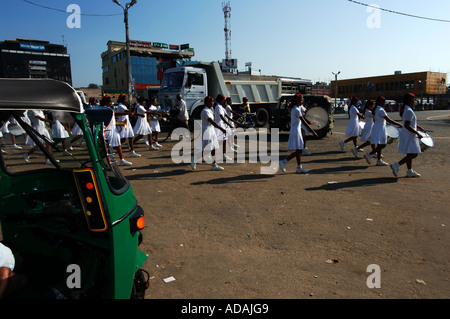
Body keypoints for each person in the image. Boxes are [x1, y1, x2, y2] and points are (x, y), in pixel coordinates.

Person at [279, 94, 318, 174]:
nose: (302, 102)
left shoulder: (295, 109)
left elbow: (303, 121)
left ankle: (299, 167)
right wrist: (313, 131)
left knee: (299, 149)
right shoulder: (297, 110)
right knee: (299, 150)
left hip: (296, 130)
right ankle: (284, 161)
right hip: (296, 131)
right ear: (297, 101)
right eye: (301, 100)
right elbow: (304, 122)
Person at [390, 93, 426, 178]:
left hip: (408, 133)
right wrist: (417, 133)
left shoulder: (407, 109)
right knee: (414, 153)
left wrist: (419, 127)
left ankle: (409, 171)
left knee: (410, 153)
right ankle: (396, 165)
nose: (414, 101)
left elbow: (410, 123)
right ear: (410, 100)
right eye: (413, 99)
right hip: (409, 134)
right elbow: (407, 125)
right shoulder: (409, 111)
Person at [363, 96, 402, 166]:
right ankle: (369, 154)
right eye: (384, 102)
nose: (384, 104)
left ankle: (379, 160)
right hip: (380, 128)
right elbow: (388, 119)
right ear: (381, 102)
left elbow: (378, 119)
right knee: (383, 144)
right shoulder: (381, 110)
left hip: (377, 127)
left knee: (380, 144)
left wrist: (385, 123)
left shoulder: (376, 109)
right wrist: (399, 124)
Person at [192, 96, 227, 171]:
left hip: (211, 130)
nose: (212, 103)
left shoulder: (210, 110)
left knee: (213, 147)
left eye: (213, 101)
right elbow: (212, 122)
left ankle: (214, 164)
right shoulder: (205, 111)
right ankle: (194, 159)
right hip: (207, 131)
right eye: (211, 101)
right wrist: (222, 129)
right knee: (206, 150)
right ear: (206, 102)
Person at [101, 95, 132, 166]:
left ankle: (120, 159)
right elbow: (115, 114)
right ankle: (116, 159)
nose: (111, 103)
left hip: (112, 129)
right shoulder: (107, 109)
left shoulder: (106, 108)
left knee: (117, 144)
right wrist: (126, 113)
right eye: (110, 102)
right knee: (113, 145)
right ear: (106, 102)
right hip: (110, 129)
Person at [214, 94, 235, 162]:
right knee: (217, 142)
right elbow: (221, 117)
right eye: (223, 99)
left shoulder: (221, 107)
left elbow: (226, 116)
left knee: (224, 140)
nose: (224, 101)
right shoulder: (218, 107)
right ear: (220, 100)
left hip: (222, 125)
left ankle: (224, 155)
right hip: (219, 126)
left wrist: (234, 122)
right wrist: (228, 124)